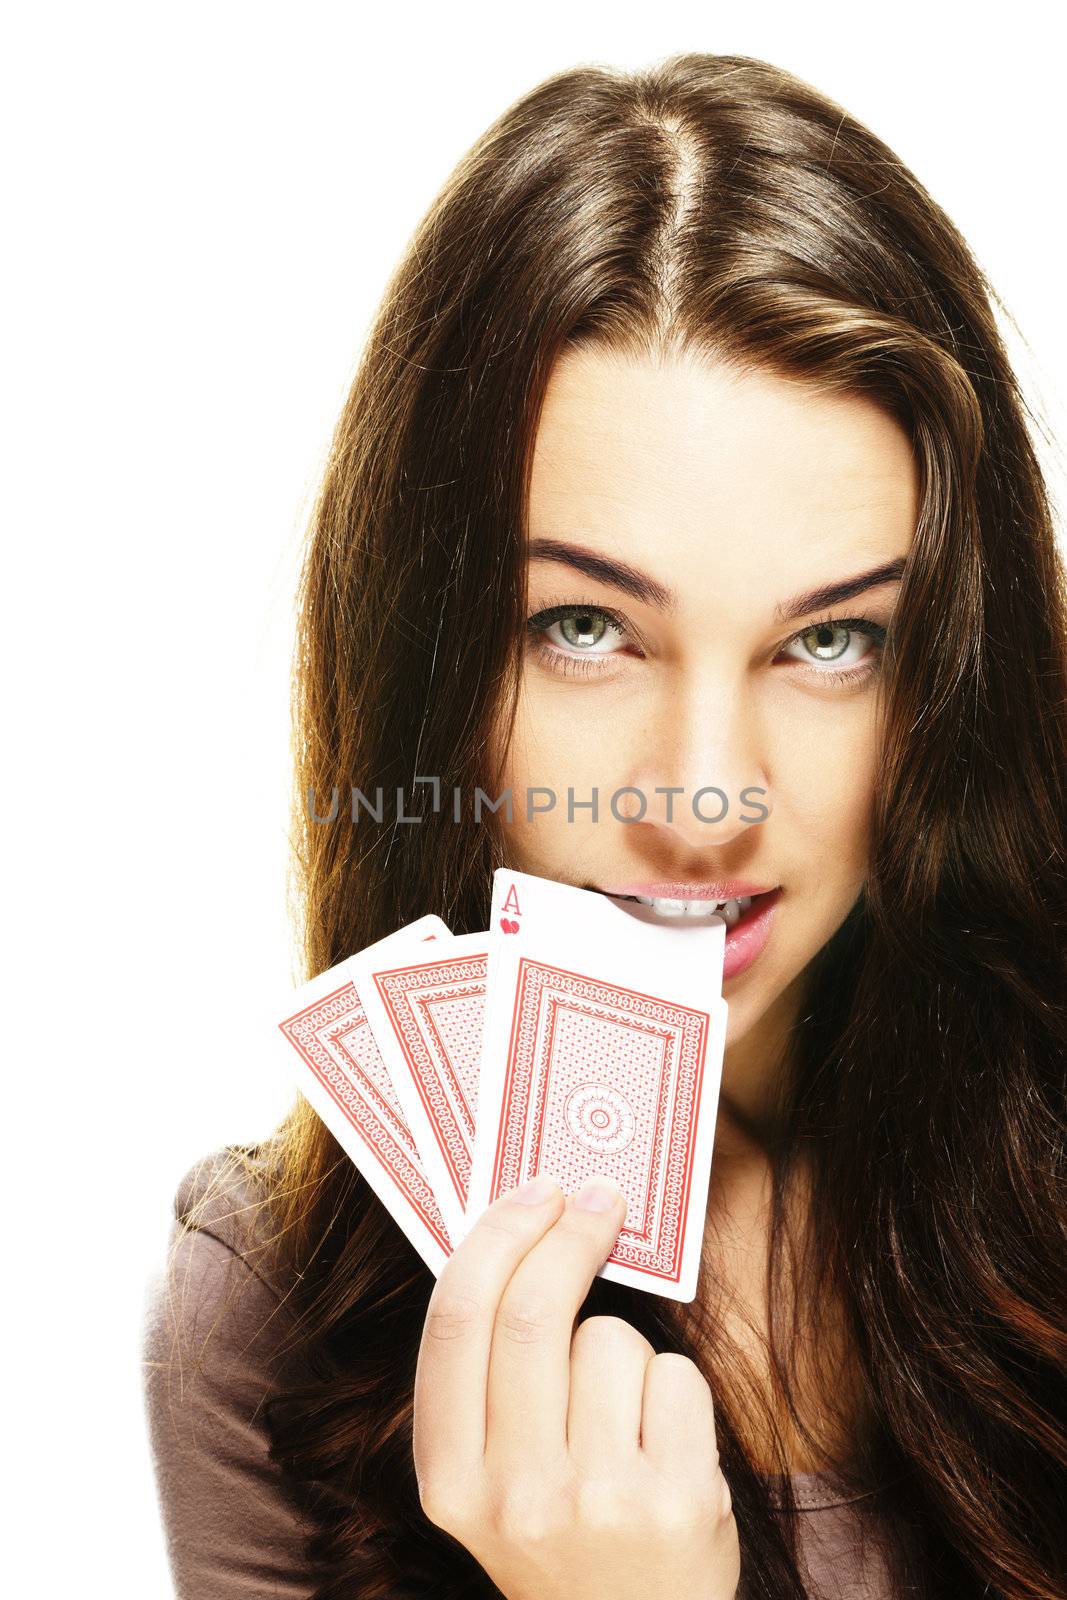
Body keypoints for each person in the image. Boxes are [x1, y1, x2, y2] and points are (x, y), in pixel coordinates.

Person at [141, 52, 1067, 1600]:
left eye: (830, 641)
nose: (706, 795)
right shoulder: (269, 1326)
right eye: (587, 627)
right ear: (433, 658)